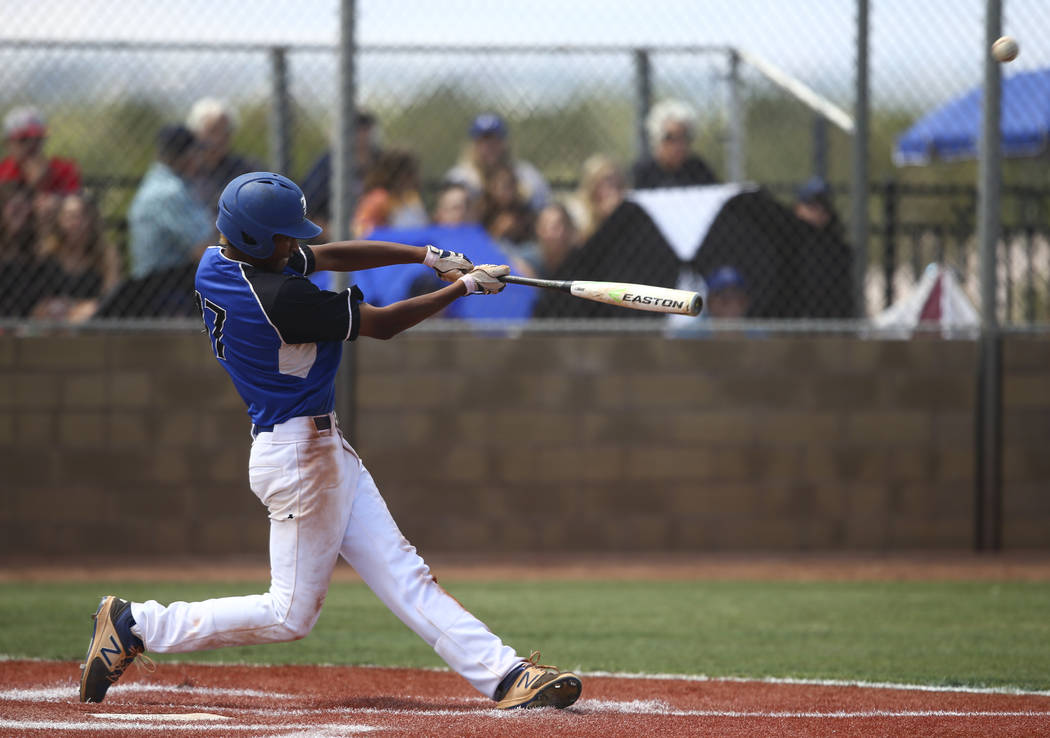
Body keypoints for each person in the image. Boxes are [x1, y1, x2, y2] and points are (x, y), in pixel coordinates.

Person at [79, 171, 582, 712]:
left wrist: (425, 255)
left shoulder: (219, 264)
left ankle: (506, 675)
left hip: (317, 450)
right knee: (288, 615)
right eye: (285, 236)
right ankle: (137, 624)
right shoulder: (281, 299)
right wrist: (463, 288)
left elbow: (331, 255)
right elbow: (385, 324)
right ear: (255, 239)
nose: (296, 244)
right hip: (300, 459)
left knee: (404, 575)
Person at [127, 124, 213, 279]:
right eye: (197, 152)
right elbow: (203, 250)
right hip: (165, 286)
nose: (200, 158)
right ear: (186, 156)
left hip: (169, 282)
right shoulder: (170, 191)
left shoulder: (163, 182)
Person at [27, 191, 121, 322]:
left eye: (81, 217)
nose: (75, 223)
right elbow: (37, 305)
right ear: (59, 220)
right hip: (52, 325)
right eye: (69, 217)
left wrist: (75, 309)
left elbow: (110, 298)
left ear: (91, 221)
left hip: (91, 322)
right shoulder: (48, 253)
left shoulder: (105, 254)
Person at [300, 109, 382, 239]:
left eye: (365, 129)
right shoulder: (328, 163)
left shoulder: (381, 160)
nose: (361, 135)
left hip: (376, 229)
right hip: (333, 229)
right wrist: (333, 232)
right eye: (356, 129)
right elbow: (306, 210)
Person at [444, 113, 550, 213]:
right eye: (484, 141)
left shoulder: (526, 174)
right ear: (474, 145)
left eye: (495, 140)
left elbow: (544, 210)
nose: (489, 147)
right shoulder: (460, 177)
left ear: (504, 143)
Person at [0, 106, 83, 231]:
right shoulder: (3, 172)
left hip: (58, 235)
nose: (32, 144)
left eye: (38, 138)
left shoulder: (65, 169)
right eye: (23, 139)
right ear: (8, 143)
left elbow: (77, 205)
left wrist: (58, 201)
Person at [185, 97, 263, 216]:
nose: (220, 138)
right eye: (213, 131)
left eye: (225, 131)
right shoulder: (186, 172)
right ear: (196, 134)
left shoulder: (249, 171)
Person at [792, 176, 855, 318]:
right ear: (798, 208)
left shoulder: (836, 247)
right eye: (813, 205)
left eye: (824, 205)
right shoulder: (789, 242)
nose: (820, 211)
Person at [631, 99, 718, 190]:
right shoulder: (642, 173)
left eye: (684, 137)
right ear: (657, 139)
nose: (678, 145)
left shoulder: (698, 170)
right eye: (670, 138)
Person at [351, 148, 428, 237]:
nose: (415, 178)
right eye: (410, 174)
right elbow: (359, 228)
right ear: (399, 174)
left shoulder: (410, 196)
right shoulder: (380, 198)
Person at [566, 153, 627, 242]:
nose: (613, 191)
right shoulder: (577, 211)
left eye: (618, 185)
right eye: (607, 183)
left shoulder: (628, 208)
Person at [479, 161, 535, 249]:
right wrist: (497, 231)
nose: (506, 190)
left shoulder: (522, 209)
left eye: (510, 185)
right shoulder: (482, 210)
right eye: (501, 185)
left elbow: (530, 238)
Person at [521, 202, 578, 279]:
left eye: (557, 226)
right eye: (546, 226)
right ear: (538, 229)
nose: (550, 232)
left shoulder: (580, 260)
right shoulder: (525, 261)